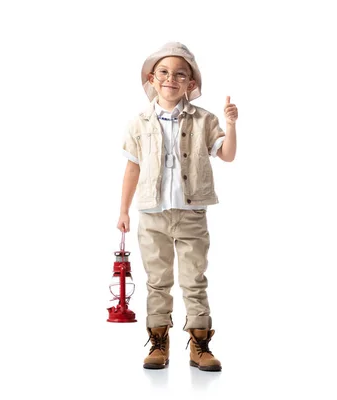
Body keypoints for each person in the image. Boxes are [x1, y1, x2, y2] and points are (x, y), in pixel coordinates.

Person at [117, 42, 238, 372]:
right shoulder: (138, 123)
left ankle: (200, 345)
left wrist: (231, 125)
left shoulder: (204, 120)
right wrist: (124, 211)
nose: (171, 79)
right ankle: (159, 342)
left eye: (180, 74)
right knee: (157, 281)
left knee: (194, 280)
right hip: (152, 215)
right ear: (152, 79)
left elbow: (226, 155)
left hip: (191, 215)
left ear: (191, 83)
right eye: (164, 73)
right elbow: (132, 168)